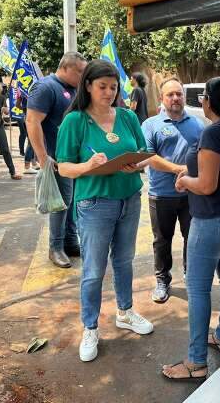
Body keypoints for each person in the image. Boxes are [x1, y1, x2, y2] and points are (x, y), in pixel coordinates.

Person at [56, 59, 153, 363]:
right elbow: (64, 167)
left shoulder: (127, 117)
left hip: (129, 198)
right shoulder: (75, 122)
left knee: (124, 261)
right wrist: (88, 165)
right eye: (102, 86)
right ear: (87, 85)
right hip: (95, 203)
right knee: (94, 271)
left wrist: (135, 164)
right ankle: (90, 327)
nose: (109, 92)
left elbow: (143, 154)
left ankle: (124, 312)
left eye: (113, 87)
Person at [162, 77, 220, 381]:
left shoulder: (214, 132)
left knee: (198, 288)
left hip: (214, 217)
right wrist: (191, 171)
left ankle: (196, 362)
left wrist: (186, 181)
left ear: (207, 101)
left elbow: (207, 184)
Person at [138, 77, 204, 303]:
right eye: (170, 95)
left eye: (179, 94)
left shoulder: (197, 124)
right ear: (162, 98)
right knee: (162, 240)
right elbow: (148, 157)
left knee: (192, 238)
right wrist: (180, 169)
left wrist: (192, 173)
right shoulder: (150, 125)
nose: (175, 98)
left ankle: (190, 275)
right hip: (161, 194)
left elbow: (205, 154)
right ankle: (162, 279)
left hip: (191, 195)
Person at [27, 52, 87, 268]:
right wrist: (43, 157)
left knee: (71, 203)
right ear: (66, 67)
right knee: (60, 205)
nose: (83, 75)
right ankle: (56, 248)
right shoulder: (46, 87)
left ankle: (71, 243)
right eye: (80, 71)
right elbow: (32, 121)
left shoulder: (73, 89)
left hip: (74, 160)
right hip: (55, 159)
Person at [15, 90, 39, 174]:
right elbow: (17, 105)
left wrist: (25, 110)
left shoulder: (21, 89)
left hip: (28, 116)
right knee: (32, 142)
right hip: (31, 117)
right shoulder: (31, 89)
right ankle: (27, 166)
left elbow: (17, 105)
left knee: (33, 141)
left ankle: (33, 163)